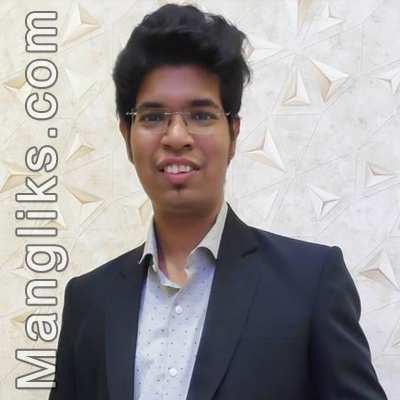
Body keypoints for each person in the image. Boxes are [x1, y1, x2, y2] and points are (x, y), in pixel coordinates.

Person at [49, 4, 388, 400]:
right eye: (153, 117)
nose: (177, 137)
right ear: (126, 135)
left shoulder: (310, 283)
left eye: (201, 115)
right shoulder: (89, 300)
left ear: (234, 133)